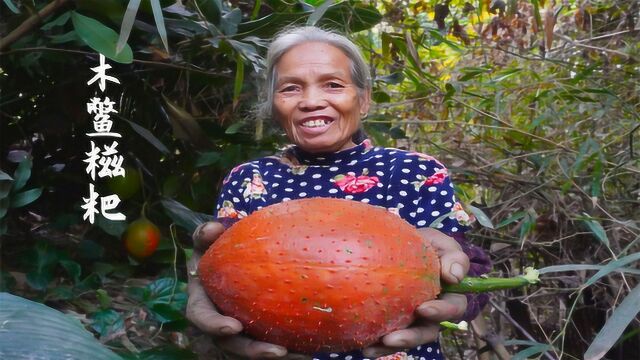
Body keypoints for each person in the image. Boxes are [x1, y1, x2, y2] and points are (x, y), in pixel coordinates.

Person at [186, 26, 491, 359]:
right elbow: (226, 266)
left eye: (333, 84)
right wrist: (199, 273)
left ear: (363, 98)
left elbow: (461, 267)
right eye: (291, 88)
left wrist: (462, 290)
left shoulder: (416, 172)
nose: (312, 101)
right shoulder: (249, 178)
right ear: (274, 104)